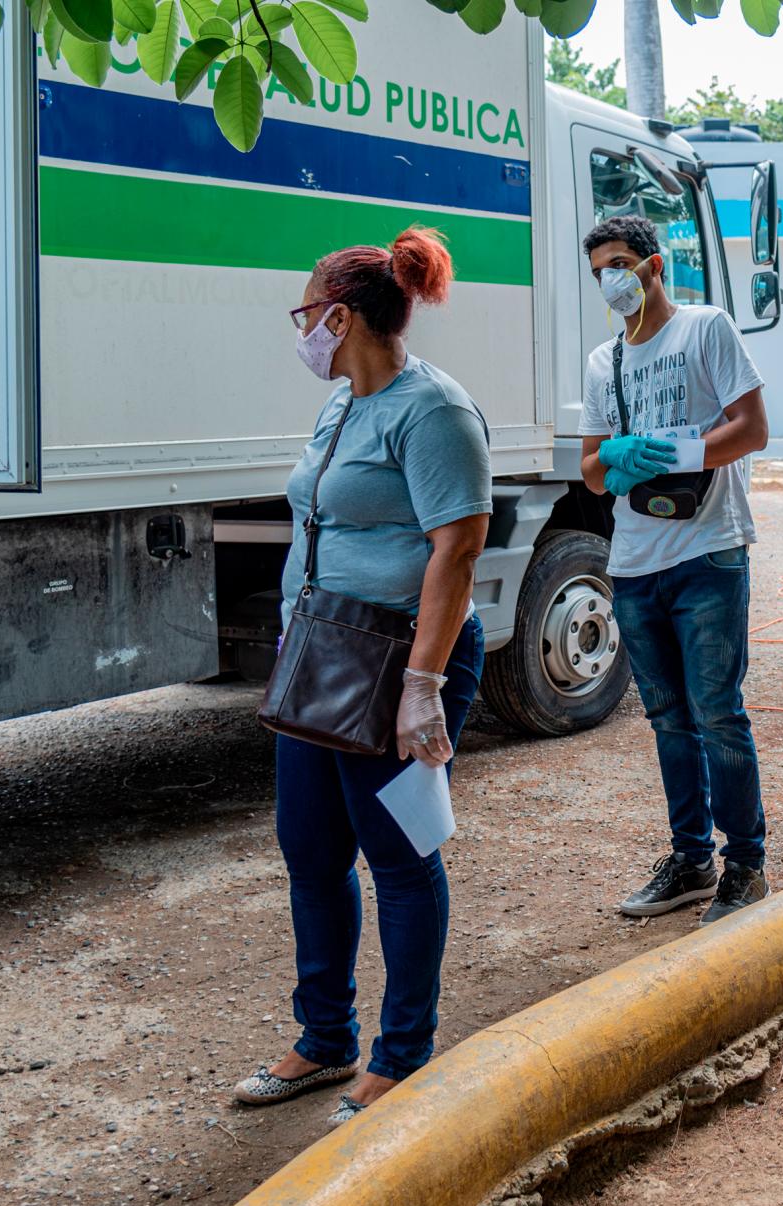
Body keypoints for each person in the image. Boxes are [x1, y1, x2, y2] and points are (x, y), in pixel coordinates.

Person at [237, 226, 491, 1126]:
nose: (302, 327)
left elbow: (457, 548)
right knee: (310, 847)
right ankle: (324, 1036)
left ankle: (403, 1053)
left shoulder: (436, 411)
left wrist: (423, 685)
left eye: (308, 311)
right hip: (322, 651)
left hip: (398, 657)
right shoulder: (343, 405)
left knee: (401, 854)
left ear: (340, 315)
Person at [578, 215, 772, 924]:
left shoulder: (705, 328)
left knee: (718, 713)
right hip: (633, 564)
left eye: (622, 263)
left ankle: (745, 866)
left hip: (708, 552)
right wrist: (618, 456)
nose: (612, 278)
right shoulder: (605, 363)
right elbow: (592, 474)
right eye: (601, 267)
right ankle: (691, 860)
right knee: (668, 719)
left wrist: (679, 453)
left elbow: (752, 428)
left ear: (654, 265)